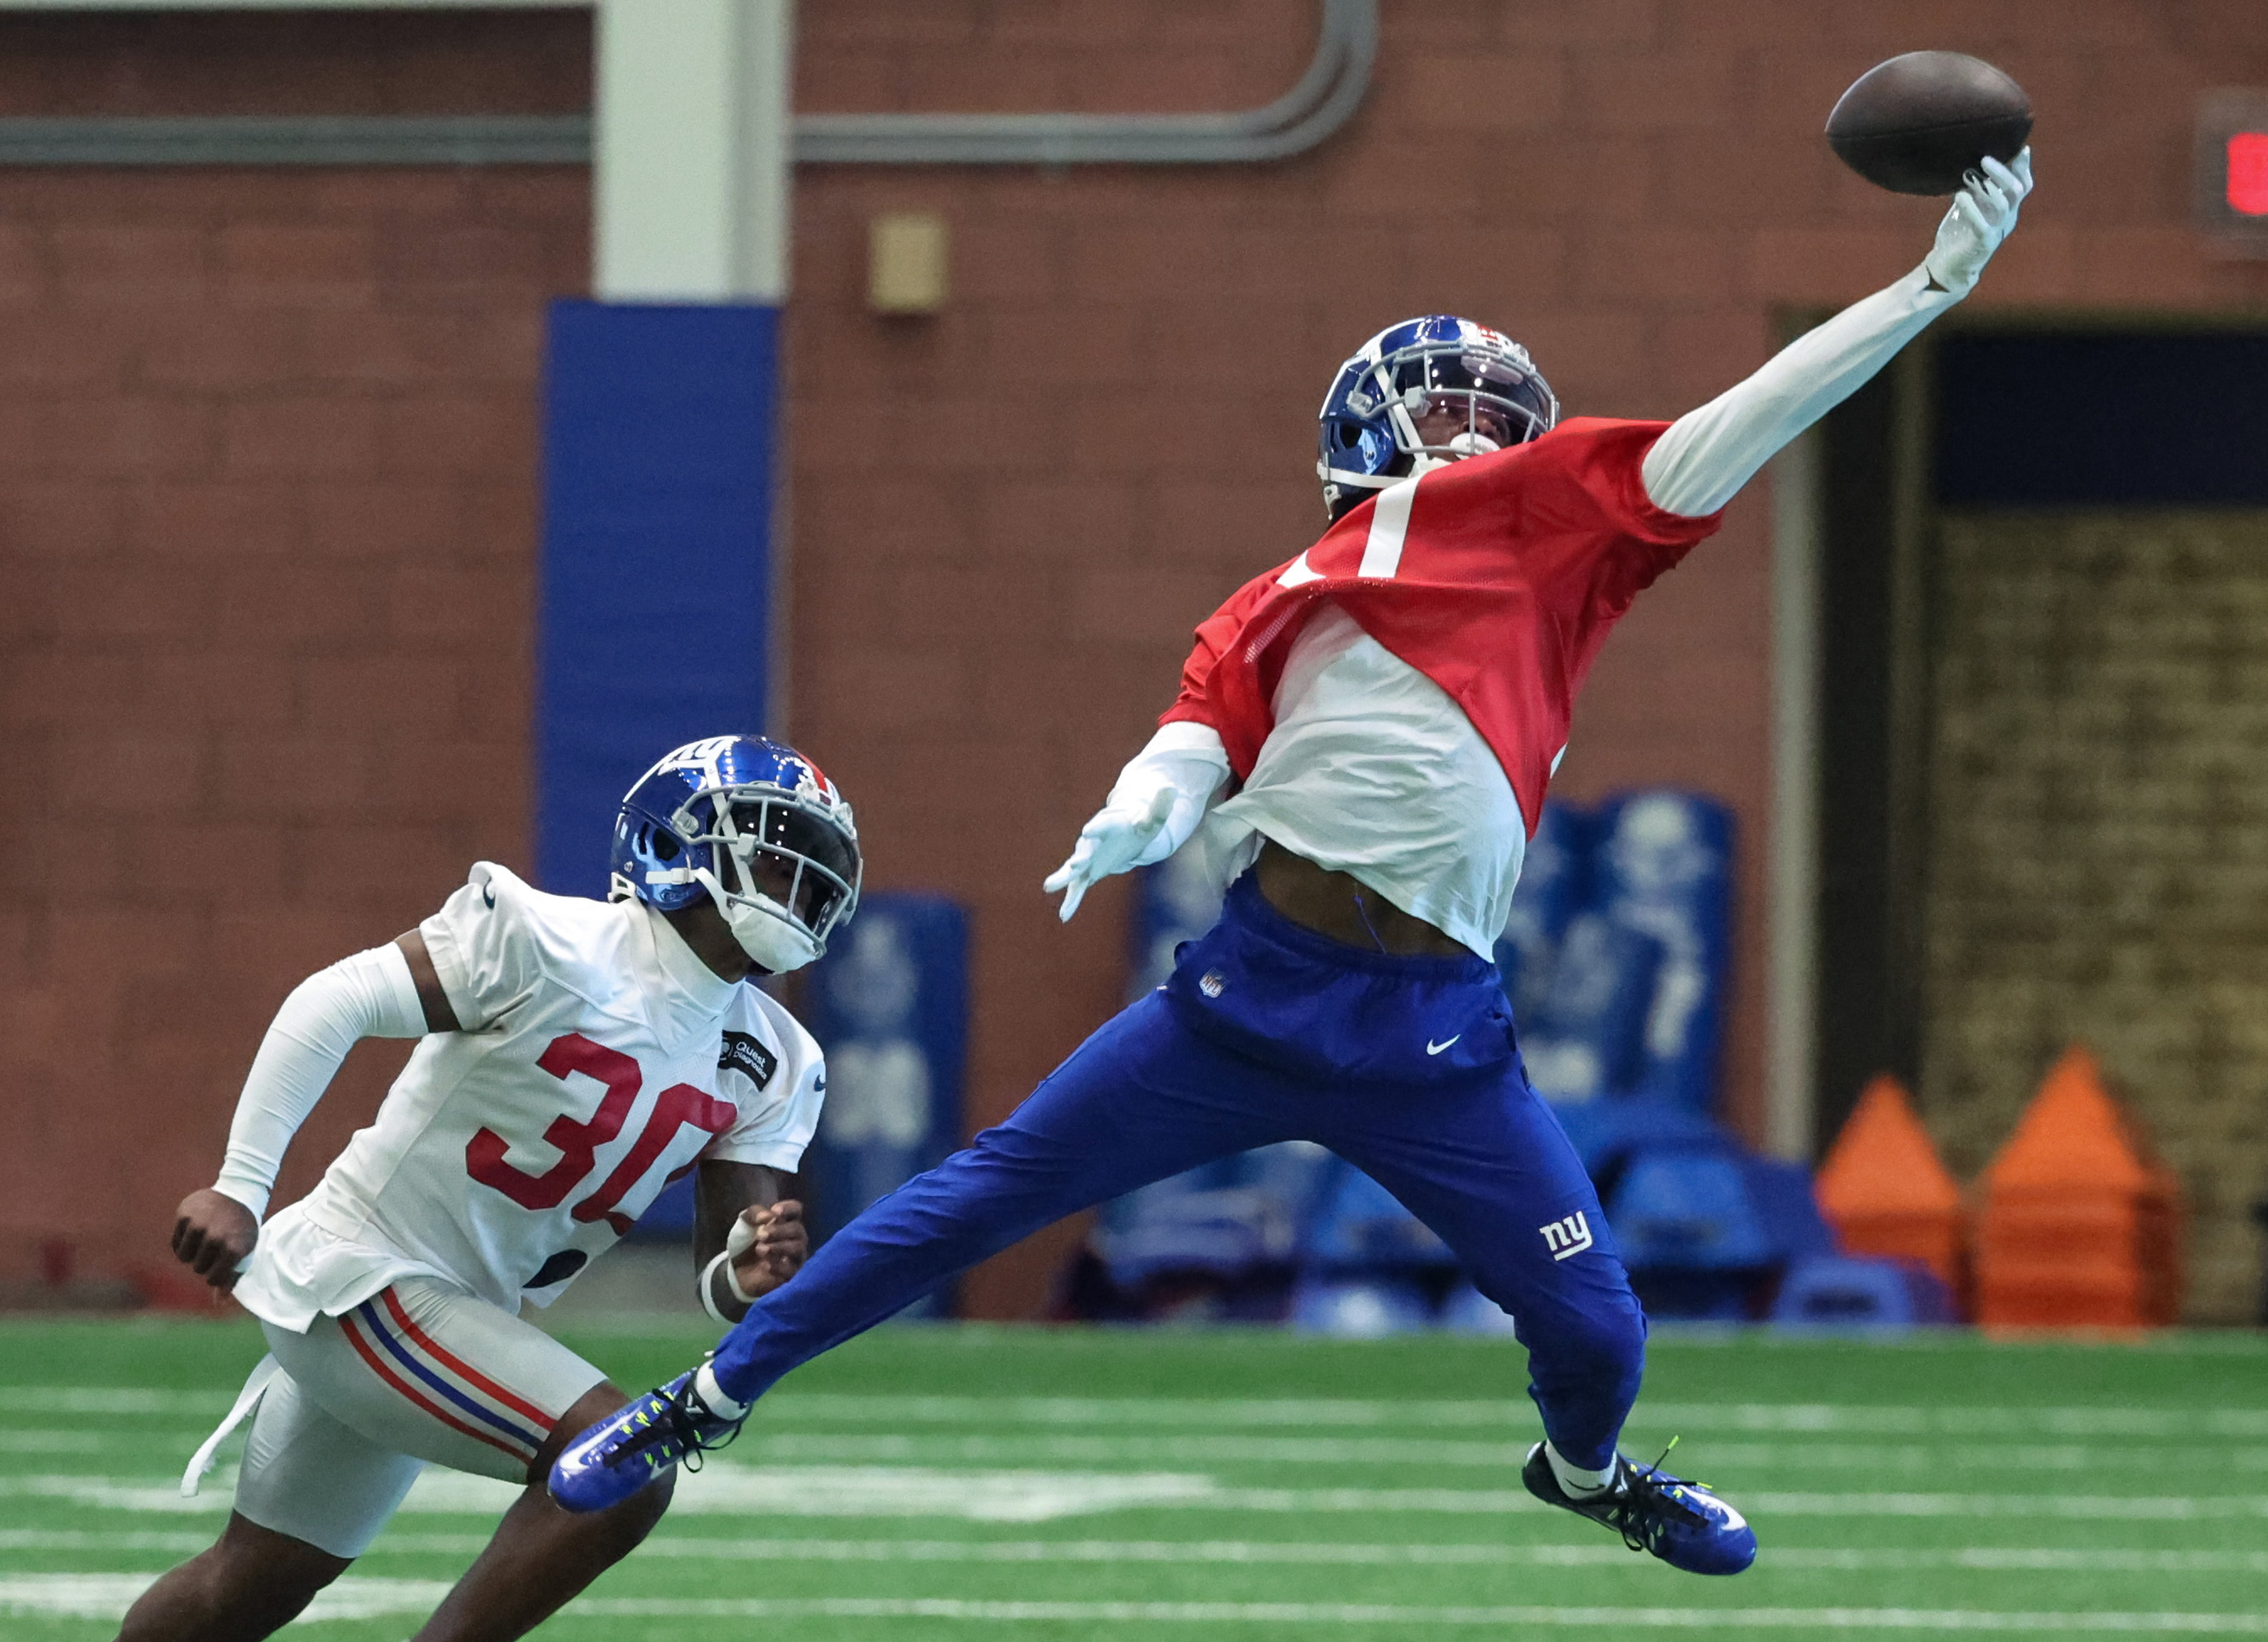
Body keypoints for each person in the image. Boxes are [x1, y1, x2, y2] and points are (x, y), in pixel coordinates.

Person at [543, 155, 2042, 1567]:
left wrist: (1928, 287)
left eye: (1484, 404)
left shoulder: (1564, 530)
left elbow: (1762, 407)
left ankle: (1586, 1472)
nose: (1465, 424)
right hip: (1253, 995)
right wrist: (1147, 798)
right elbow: (1200, 725)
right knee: (976, 1194)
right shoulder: (1292, 588)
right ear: (1363, 433)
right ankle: (702, 1399)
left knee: (1599, 1330)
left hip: (1436, 1033)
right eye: (1435, 401)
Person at [0, 737, 846, 1642]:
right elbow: (335, 999)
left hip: (452, 1316)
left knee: (250, 1585)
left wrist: (750, 1271)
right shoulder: (544, 938)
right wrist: (239, 1184)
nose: (794, 891)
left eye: (810, 872)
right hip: (364, 1271)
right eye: (773, 860)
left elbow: (725, 1277)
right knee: (628, 1457)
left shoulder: (775, 1055)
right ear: (678, 844)